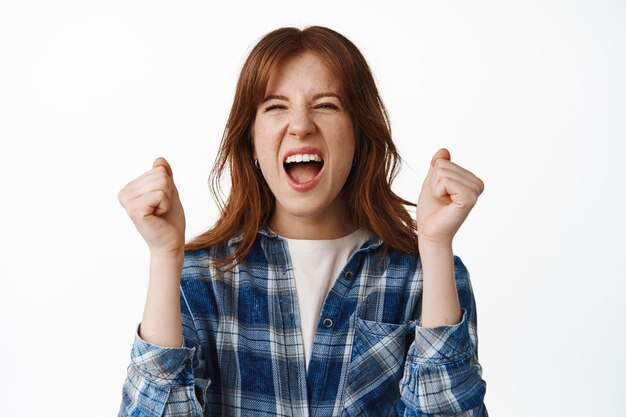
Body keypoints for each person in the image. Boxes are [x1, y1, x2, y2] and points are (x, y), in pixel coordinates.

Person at [117, 26, 487, 416]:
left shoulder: (425, 275)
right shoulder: (197, 278)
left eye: (326, 105)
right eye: (276, 106)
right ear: (252, 142)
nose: (300, 125)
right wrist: (164, 256)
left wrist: (433, 245)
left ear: (360, 133)